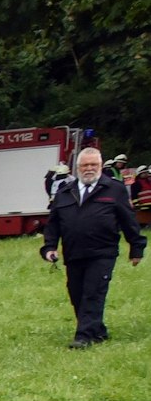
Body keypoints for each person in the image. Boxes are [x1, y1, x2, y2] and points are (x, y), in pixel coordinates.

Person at [42, 146, 145, 348]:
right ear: (77, 168)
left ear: (100, 165)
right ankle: (97, 331)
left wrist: (136, 247)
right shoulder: (65, 192)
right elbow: (53, 224)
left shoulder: (114, 189)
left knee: (93, 292)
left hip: (103, 252)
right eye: (85, 165)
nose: (89, 168)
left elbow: (129, 220)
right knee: (76, 293)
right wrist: (49, 247)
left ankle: (84, 336)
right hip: (73, 252)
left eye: (93, 164)